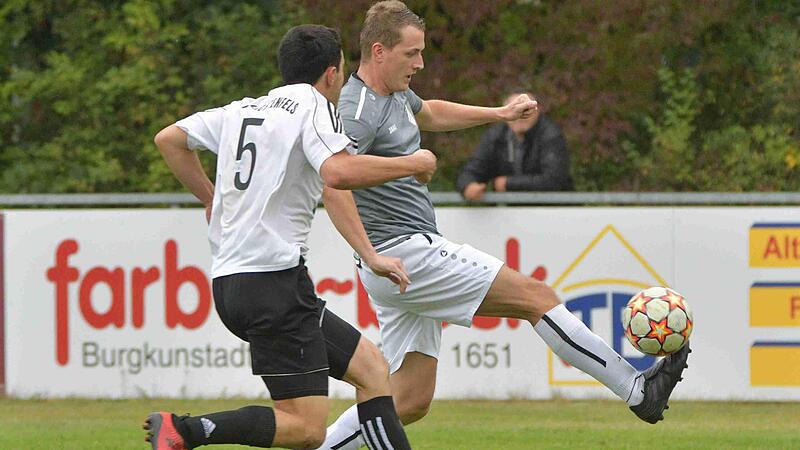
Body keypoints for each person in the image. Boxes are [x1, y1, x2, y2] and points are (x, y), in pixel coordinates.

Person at [318, 2, 690, 449]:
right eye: (411, 53)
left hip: (399, 261)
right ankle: (637, 392)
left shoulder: (393, 95)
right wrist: (377, 241)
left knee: (411, 398)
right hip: (403, 253)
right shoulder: (359, 108)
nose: (420, 63)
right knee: (537, 298)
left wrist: (498, 114)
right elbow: (334, 179)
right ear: (379, 51)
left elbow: (430, 113)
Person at [144, 24, 438, 450]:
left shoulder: (244, 109)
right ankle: (189, 430)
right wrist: (412, 163)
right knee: (305, 430)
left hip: (233, 284)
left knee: (373, 371)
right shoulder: (314, 106)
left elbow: (169, 139)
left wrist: (210, 198)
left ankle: (188, 431)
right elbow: (336, 173)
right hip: (274, 286)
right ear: (331, 73)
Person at [456, 90, 573, 201]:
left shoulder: (551, 135)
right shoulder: (495, 135)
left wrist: (508, 183)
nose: (520, 115)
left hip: (552, 211)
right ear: (504, 112)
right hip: (507, 214)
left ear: (537, 110)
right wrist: (468, 186)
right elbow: (472, 169)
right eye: (514, 110)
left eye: (526, 110)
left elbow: (553, 179)